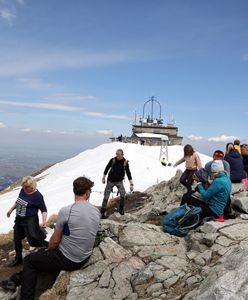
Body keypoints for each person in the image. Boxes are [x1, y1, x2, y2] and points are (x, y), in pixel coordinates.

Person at [20, 176, 100, 300]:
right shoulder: (96, 211)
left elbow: (55, 241)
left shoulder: (66, 211)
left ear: (74, 191)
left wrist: (49, 250)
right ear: (88, 192)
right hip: (85, 256)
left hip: (69, 259)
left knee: (29, 260)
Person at [7, 176, 47, 267]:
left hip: (30, 219)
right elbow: (18, 201)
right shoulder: (22, 190)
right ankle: (18, 259)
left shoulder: (37, 196)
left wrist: (44, 221)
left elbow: (43, 210)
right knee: (16, 239)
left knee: (33, 239)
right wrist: (10, 210)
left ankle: (49, 246)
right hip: (19, 219)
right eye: (23, 186)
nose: (24, 188)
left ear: (32, 186)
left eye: (26, 187)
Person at [101, 149, 133, 218]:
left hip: (119, 181)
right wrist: (103, 177)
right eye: (116, 155)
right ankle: (102, 211)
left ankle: (121, 209)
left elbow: (128, 173)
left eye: (119, 155)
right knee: (106, 196)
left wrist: (131, 184)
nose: (117, 156)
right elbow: (107, 168)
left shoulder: (125, 162)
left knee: (123, 195)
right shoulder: (113, 160)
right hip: (110, 181)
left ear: (122, 155)